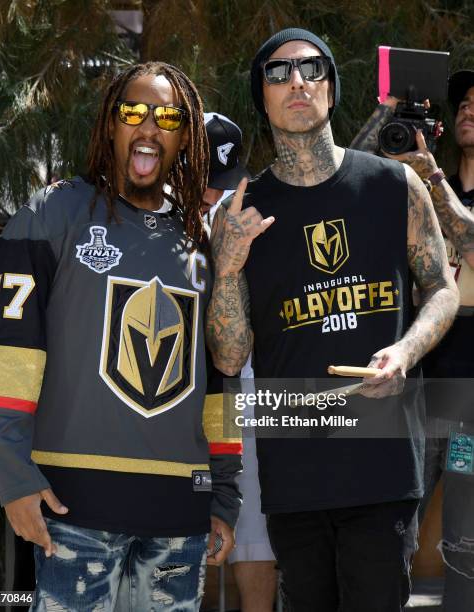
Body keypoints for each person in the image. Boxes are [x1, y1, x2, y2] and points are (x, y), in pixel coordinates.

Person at [205, 27, 459, 612]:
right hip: (295, 469)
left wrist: (406, 352)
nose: (298, 81)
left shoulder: (395, 184)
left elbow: (440, 288)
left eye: (313, 69)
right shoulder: (240, 214)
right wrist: (227, 268)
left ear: (332, 88)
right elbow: (228, 355)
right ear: (262, 96)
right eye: (279, 72)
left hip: (383, 464)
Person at [0, 61, 241, 611]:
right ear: (109, 124)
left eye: (167, 116)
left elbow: (221, 376)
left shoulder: (201, 240)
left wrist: (223, 492)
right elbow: (10, 358)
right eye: (133, 112)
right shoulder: (52, 213)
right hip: (73, 508)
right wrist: (15, 477)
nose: (149, 128)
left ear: (186, 134)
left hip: (180, 511)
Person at [352, 69, 474, 612]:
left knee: (467, 531)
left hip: (469, 391)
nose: (469, 109)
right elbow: (342, 177)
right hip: (418, 380)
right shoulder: (416, 180)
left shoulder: (435, 183)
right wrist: (387, 113)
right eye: (464, 103)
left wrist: (433, 177)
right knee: (399, 518)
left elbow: (470, 239)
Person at [202, 112, 277, 612]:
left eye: (223, 186)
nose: (214, 199)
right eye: (206, 184)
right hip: (171, 392)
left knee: (251, 531)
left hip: (239, 390)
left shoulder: (244, 209)